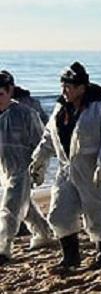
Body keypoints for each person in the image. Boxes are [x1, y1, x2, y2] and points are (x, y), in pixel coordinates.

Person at [30, 62, 101, 271]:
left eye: (69, 86)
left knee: (97, 213)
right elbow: (48, 137)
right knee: (59, 213)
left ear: (82, 87)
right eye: (63, 85)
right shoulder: (59, 109)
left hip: (92, 169)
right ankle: (71, 257)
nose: (65, 90)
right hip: (67, 169)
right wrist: (38, 160)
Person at [0, 71, 48, 266]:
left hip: (23, 168)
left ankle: (3, 248)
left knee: (10, 208)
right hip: (4, 169)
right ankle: (43, 233)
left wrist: (38, 169)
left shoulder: (26, 114)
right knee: (23, 205)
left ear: (10, 91)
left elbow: (42, 143)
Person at [8, 79, 55, 250]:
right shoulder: (8, 104)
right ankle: (42, 231)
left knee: (14, 198)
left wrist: (39, 161)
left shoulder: (27, 107)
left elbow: (43, 130)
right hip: (7, 159)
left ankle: (5, 245)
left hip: (25, 158)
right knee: (21, 198)